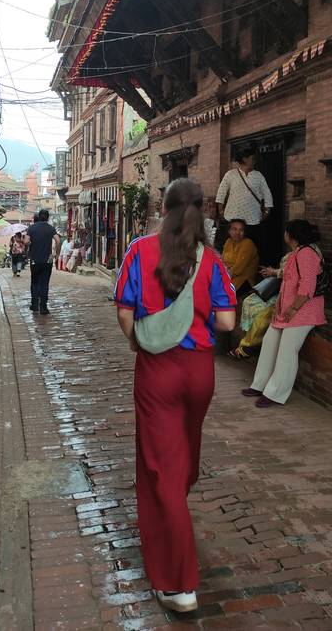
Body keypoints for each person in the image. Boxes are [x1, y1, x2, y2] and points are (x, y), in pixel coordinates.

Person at [114, 179, 236, 614]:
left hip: (159, 372)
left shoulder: (140, 251)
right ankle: (173, 513)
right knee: (183, 457)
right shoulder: (213, 260)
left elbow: (125, 311)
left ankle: (179, 582)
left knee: (161, 468)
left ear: (163, 209)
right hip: (200, 372)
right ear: (201, 211)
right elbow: (225, 322)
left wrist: (139, 342)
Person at [242, 220, 326, 407]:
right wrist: (280, 307)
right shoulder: (297, 252)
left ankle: (275, 393)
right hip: (287, 310)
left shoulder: (307, 254)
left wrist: (294, 308)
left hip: (304, 311)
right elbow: (288, 279)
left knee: (287, 351)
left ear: (289, 235)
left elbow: (308, 287)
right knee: (269, 343)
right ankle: (260, 384)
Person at [215, 148, 273, 254]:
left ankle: (250, 270)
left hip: (253, 219)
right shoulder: (230, 174)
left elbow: (267, 194)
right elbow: (221, 193)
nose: (254, 161)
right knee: (232, 249)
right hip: (233, 217)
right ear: (244, 159)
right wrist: (220, 211)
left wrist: (267, 212)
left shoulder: (258, 175)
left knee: (250, 249)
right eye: (252, 158)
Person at [27, 209, 61, 314]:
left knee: (35, 282)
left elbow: (26, 241)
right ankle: (43, 307)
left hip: (35, 260)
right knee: (44, 283)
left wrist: (31, 245)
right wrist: (56, 253)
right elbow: (58, 241)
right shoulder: (51, 229)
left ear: (39, 216)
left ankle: (34, 305)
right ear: (48, 217)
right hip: (47, 260)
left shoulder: (32, 228)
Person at [222, 219, 259, 297]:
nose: (238, 233)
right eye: (234, 229)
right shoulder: (228, 242)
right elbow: (223, 262)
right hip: (229, 276)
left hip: (244, 281)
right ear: (229, 231)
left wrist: (226, 272)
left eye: (241, 230)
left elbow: (238, 269)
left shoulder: (248, 244)